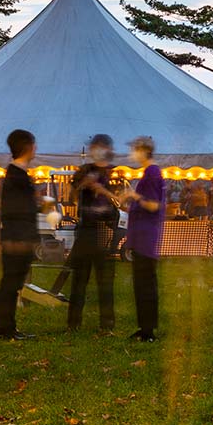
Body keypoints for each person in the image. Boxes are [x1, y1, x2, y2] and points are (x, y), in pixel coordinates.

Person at [0, 128, 48, 341]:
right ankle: (5, 329)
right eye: (33, 144)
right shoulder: (16, 177)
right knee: (10, 284)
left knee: (13, 284)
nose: (35, 148)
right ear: (26, 147)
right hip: (17, 238)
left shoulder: (18, 176)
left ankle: (8, 327)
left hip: (19, 237)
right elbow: (16, 211)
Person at [66, 134, 119, 333]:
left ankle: (107, 325)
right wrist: (83, 185)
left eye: (101, 146)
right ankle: (73, 323)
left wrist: (102, 190)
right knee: (79, 280)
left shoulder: (114, 173)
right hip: (86, 230)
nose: (97, 149)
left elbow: (120, 201)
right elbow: (71, 196)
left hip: (104, 231)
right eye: (95, 146)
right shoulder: (84, 170)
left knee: (105, 281)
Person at [120, 136, 168, 342]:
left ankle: (148, 331)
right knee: (141, 284)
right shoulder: (149, 173)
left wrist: (134, 196)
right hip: (141, 237)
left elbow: (153, 205)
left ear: (143, 151)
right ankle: (144, 328)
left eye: (134, 150)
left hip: (146, 238)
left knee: (146, 285)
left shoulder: (151, 173)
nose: (132, 154)